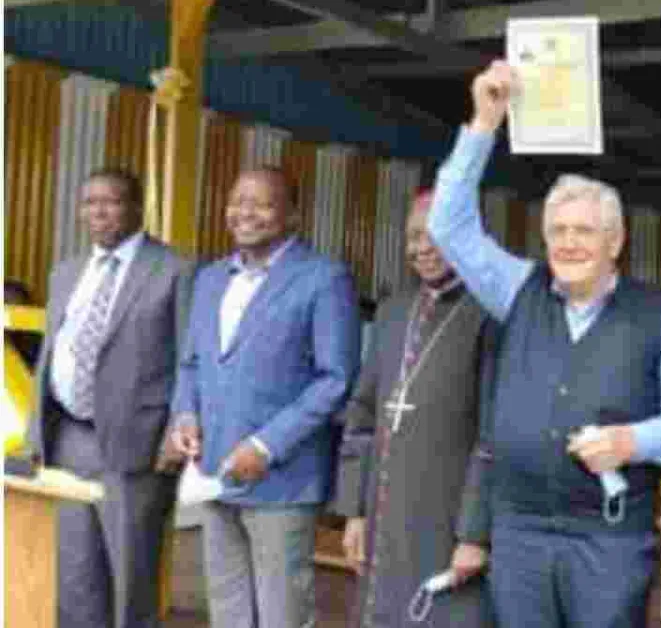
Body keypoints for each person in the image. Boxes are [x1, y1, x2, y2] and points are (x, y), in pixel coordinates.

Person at [427, 61, 661, 628]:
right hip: (519, 531)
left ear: (615, 241)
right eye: (558, 230)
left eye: (585, 231)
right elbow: (449, 227)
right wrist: (484, 123)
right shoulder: (517, 289)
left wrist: (632, 441)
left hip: (609, 538)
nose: (569, 243)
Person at [160, 167, 361, 628]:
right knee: (228, 608)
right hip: (215, 471)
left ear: (293, 216)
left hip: (282, 480)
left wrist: (266, 446)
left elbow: (336, 379)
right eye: (237, 201)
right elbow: (191, 363)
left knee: (281, 613)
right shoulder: (211, 278)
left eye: (262, 203)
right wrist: (185, 415)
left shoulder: (323, 279)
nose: (245, 212)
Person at [27, 168, 195, 628]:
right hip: (67, 438)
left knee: (130, 579)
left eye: (111, 201)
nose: (98, 212)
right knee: (74, 576)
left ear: (138, 208)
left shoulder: (175, 270)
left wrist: (176, 431)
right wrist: (35, 434)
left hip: (137, 446)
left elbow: (189, 359)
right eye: (89, 202)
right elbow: (51, 354)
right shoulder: (65, 272)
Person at [333, 190, 493, 627]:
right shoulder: (393, 310)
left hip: (447, 517)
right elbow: (362, 413)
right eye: (413, 236)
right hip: (382, 512)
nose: (422, 247)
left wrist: (474, 533)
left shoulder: (490, 315)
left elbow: (493, 435)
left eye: (434, 235)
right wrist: (354, 511)